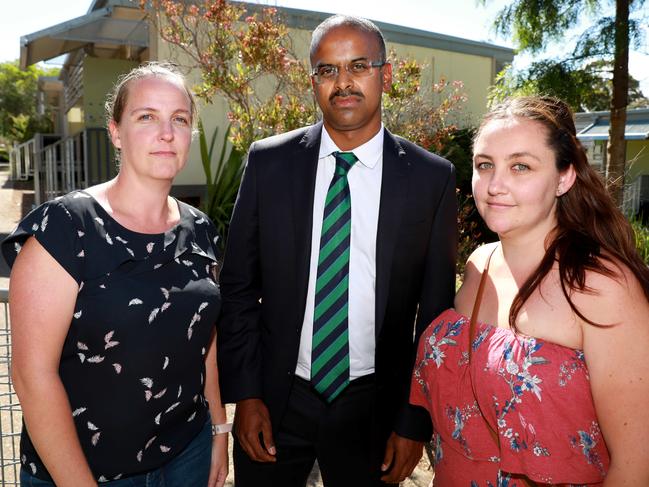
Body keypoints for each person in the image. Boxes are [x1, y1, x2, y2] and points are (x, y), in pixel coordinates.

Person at [217, 14, 457, 487]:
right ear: (313, 82)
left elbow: (434, 315)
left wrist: (413, 421)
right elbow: (239, 288)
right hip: (277, 400)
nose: (342, 83)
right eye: (327, 70)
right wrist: (246, 395)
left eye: (359, 66)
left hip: (374, 404)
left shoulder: (432, 178)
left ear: (385, 75)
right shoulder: (269, 163)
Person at [2, 62, 229, 487]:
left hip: (187, 453)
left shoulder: (200, 228)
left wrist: (218, 428)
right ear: (115, 132)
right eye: (147, 117)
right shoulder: (66, 227)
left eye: (179, 119)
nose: (166, 132)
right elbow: (32, 376)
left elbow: (205, 337)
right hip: (84, 471)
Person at [410, 95, 649, 485]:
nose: (495, 185)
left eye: (520, 166)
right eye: (485, 165)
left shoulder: (600, 287)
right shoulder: (478, 265)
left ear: (564, 177)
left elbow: (637, 465)